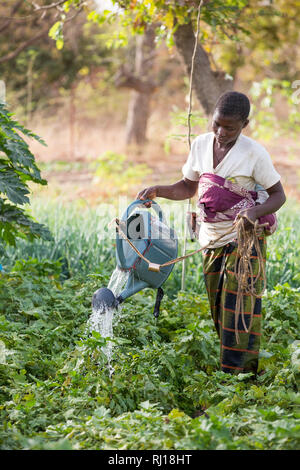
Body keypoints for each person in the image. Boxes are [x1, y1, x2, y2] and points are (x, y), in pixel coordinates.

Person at [136, 91, 286, 376]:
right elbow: (188, 186)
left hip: (244, 240)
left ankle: (239, 378)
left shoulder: (254, 153)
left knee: (239, 308)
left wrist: (252, 213)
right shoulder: (202, 145)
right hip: (210, 239)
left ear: (245, 124)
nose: (221, 132)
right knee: (219, 307)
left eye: (230, 127)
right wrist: (159, 191)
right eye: (217, 124)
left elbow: (279, 195)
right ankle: (231, 369)